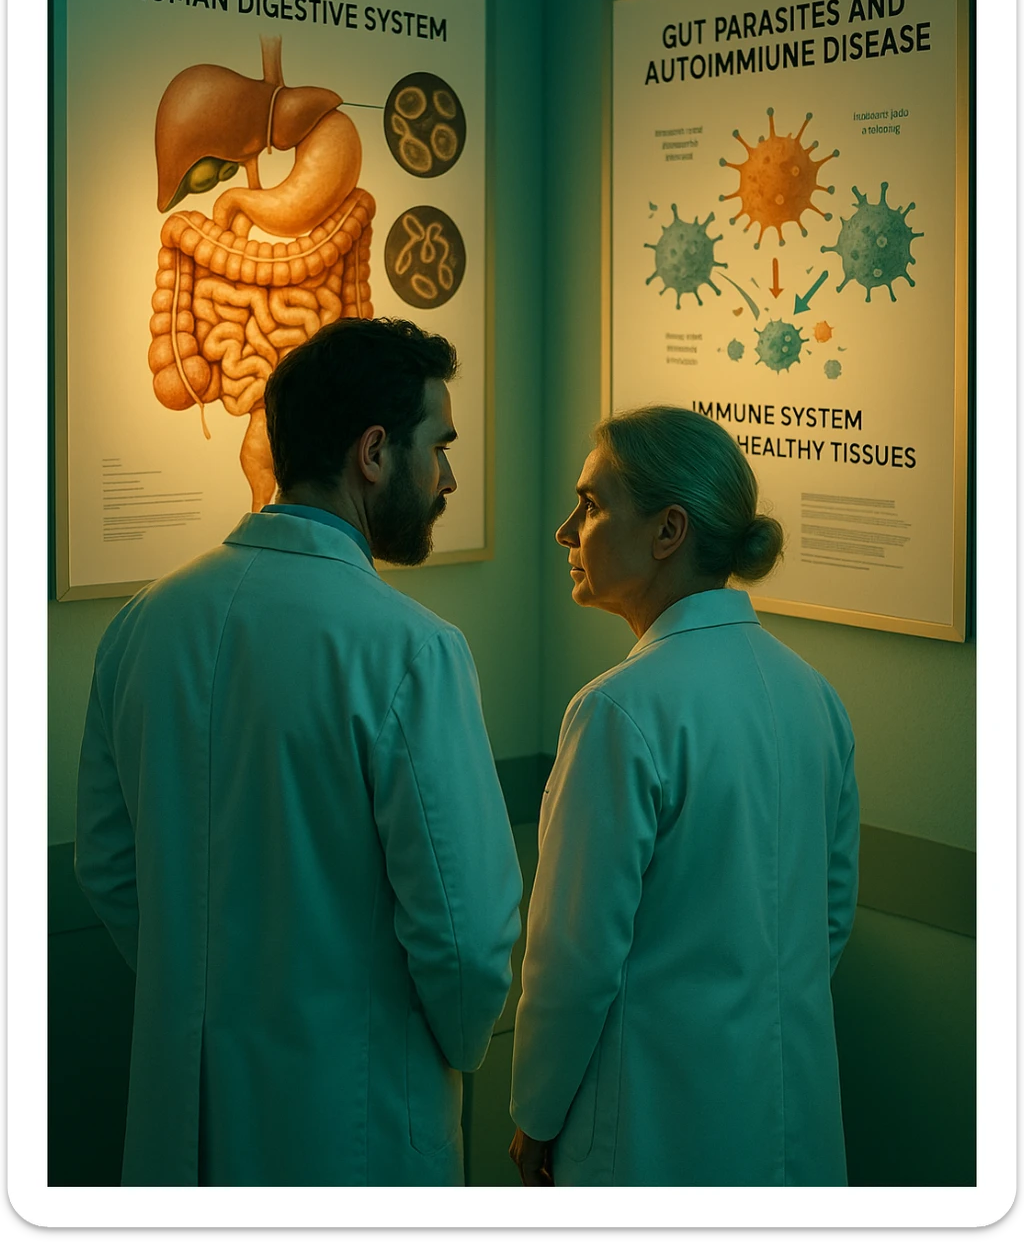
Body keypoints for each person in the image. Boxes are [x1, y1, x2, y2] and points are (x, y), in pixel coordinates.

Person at [75, 316, 522, 1187]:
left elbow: (109, 868)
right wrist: (450, 1045)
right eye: (441, 447)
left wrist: (198, 985)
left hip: (182, 1118)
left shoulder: (141, 627)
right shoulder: (409, 649)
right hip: (348, 1122)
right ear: (374, 452)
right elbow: (467, 936)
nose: (450, 478)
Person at [509, 406, 859, 1187]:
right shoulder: (813, 694)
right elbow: (828, 916)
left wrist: (537, 1112)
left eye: (591, 505)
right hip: (788, 1107)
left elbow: (574, 958)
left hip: (654, 1123)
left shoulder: (619, 710)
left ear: (669, 532)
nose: (567, 531)